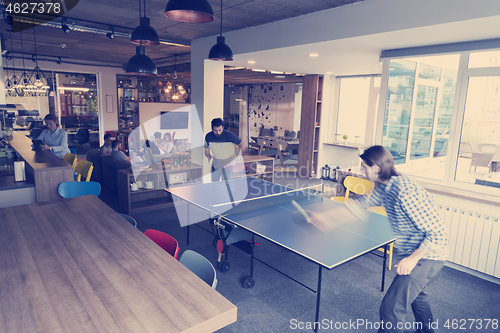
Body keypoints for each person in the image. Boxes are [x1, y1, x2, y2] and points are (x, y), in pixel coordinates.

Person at [350, 145, 448, 333]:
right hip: (417, 252)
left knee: (391, 309)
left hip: (427, 256)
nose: (361, 170)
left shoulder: (405, 192)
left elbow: (439, 233)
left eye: (363, 166)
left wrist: (412, 259)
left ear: (376, 168)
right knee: (417, 296)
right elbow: (364, 203)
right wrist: (329, 216)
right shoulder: (385, 185)